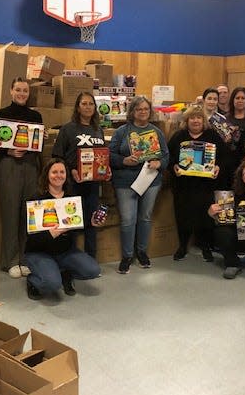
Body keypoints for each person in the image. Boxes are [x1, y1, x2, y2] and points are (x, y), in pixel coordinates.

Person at [24, 158, 101, 300]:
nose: (58, 175)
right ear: (47, 174)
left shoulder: (72, 199)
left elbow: (77, 226)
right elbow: (29, 237)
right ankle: (32, 281)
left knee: (93, 270)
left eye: (62, 172)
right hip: (39, 253)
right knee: (52, 284)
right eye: (54, 172)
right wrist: (50, 234)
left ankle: (65, 273)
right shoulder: (37, 199)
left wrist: (90, 223)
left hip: (66, 252)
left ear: (66, 175)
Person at [109, 95, 169, 274]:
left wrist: (159, 163)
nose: (143, 112)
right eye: (139, 109)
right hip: (125, 182)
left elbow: (166, 155)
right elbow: (109, 155)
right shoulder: (122, 131)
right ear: (132, 112)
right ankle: (127, 256)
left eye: (146, 109)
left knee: (145, 218)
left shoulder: (156, 132)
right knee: (128, 220)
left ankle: (142, 252)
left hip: (150, 180)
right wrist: (124, 160)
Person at [0, 77, 43, 278]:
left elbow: (36, 143)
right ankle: (11, 260)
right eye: (18, 90)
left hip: (30, 165)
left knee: (28, 212)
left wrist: (40, 138)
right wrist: (8, 152)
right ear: (11, 91)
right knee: (10, 211)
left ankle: (25, 258)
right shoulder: (0, 115)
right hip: (9, 164)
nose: (22, 94)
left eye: (25, 91)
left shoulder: (35, 116)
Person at [168, 105, 231, 262]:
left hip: (206, 186)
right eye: (192, 118)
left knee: (206, 216)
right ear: (186, 120)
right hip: (184, 185)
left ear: (204, 121)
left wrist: (218, 167)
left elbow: (225, 157)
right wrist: (173, 166)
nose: (195, 121)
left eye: (199, 118)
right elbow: (168, 156)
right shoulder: (179, 136)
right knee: (183, 215)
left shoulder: (213, 136)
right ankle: (183, 246)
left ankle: (205, 247)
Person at [52, 92, 108, 259]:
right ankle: (71, 258)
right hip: (73, 183)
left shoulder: (98, 130)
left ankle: (91, 259)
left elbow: (102, 155)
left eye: (91, 104)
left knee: (92, 221)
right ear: (78, 107)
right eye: (84, 103)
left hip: (93, 184)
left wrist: (106, 169)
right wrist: (71, 171)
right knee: (72, 222)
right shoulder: (68, 129)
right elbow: (57, 156)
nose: (88, 106)